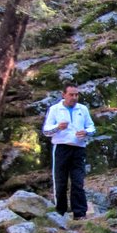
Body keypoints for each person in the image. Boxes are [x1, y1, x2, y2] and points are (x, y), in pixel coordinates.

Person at [42, 83, 96, 219]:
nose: (74, 97)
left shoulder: (82, 109)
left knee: (78, 181)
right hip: (61, 148)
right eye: (71, 95)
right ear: (63, 95)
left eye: (76, 95)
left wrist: (86, 132)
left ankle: (80, 213)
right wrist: (58, 127)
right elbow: (46, 130)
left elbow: (92, 127)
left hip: (79, 148)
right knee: (60, 181)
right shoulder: (55, 109)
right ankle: (60, 212)